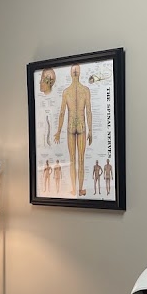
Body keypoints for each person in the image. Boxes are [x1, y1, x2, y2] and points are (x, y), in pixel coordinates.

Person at [54, 64, 92, 196]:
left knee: (74, 159)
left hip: (73, 126)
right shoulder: (83, 90)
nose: (75, 72)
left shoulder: (68, 92)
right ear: (77, 73)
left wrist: (59, 131)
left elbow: (62, 113)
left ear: (72, 73)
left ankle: (76, 189)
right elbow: (88, 112)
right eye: (75, 70)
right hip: (79, 126)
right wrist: (90, 130)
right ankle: (78, 189)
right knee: (78, 159)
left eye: (75, 70)